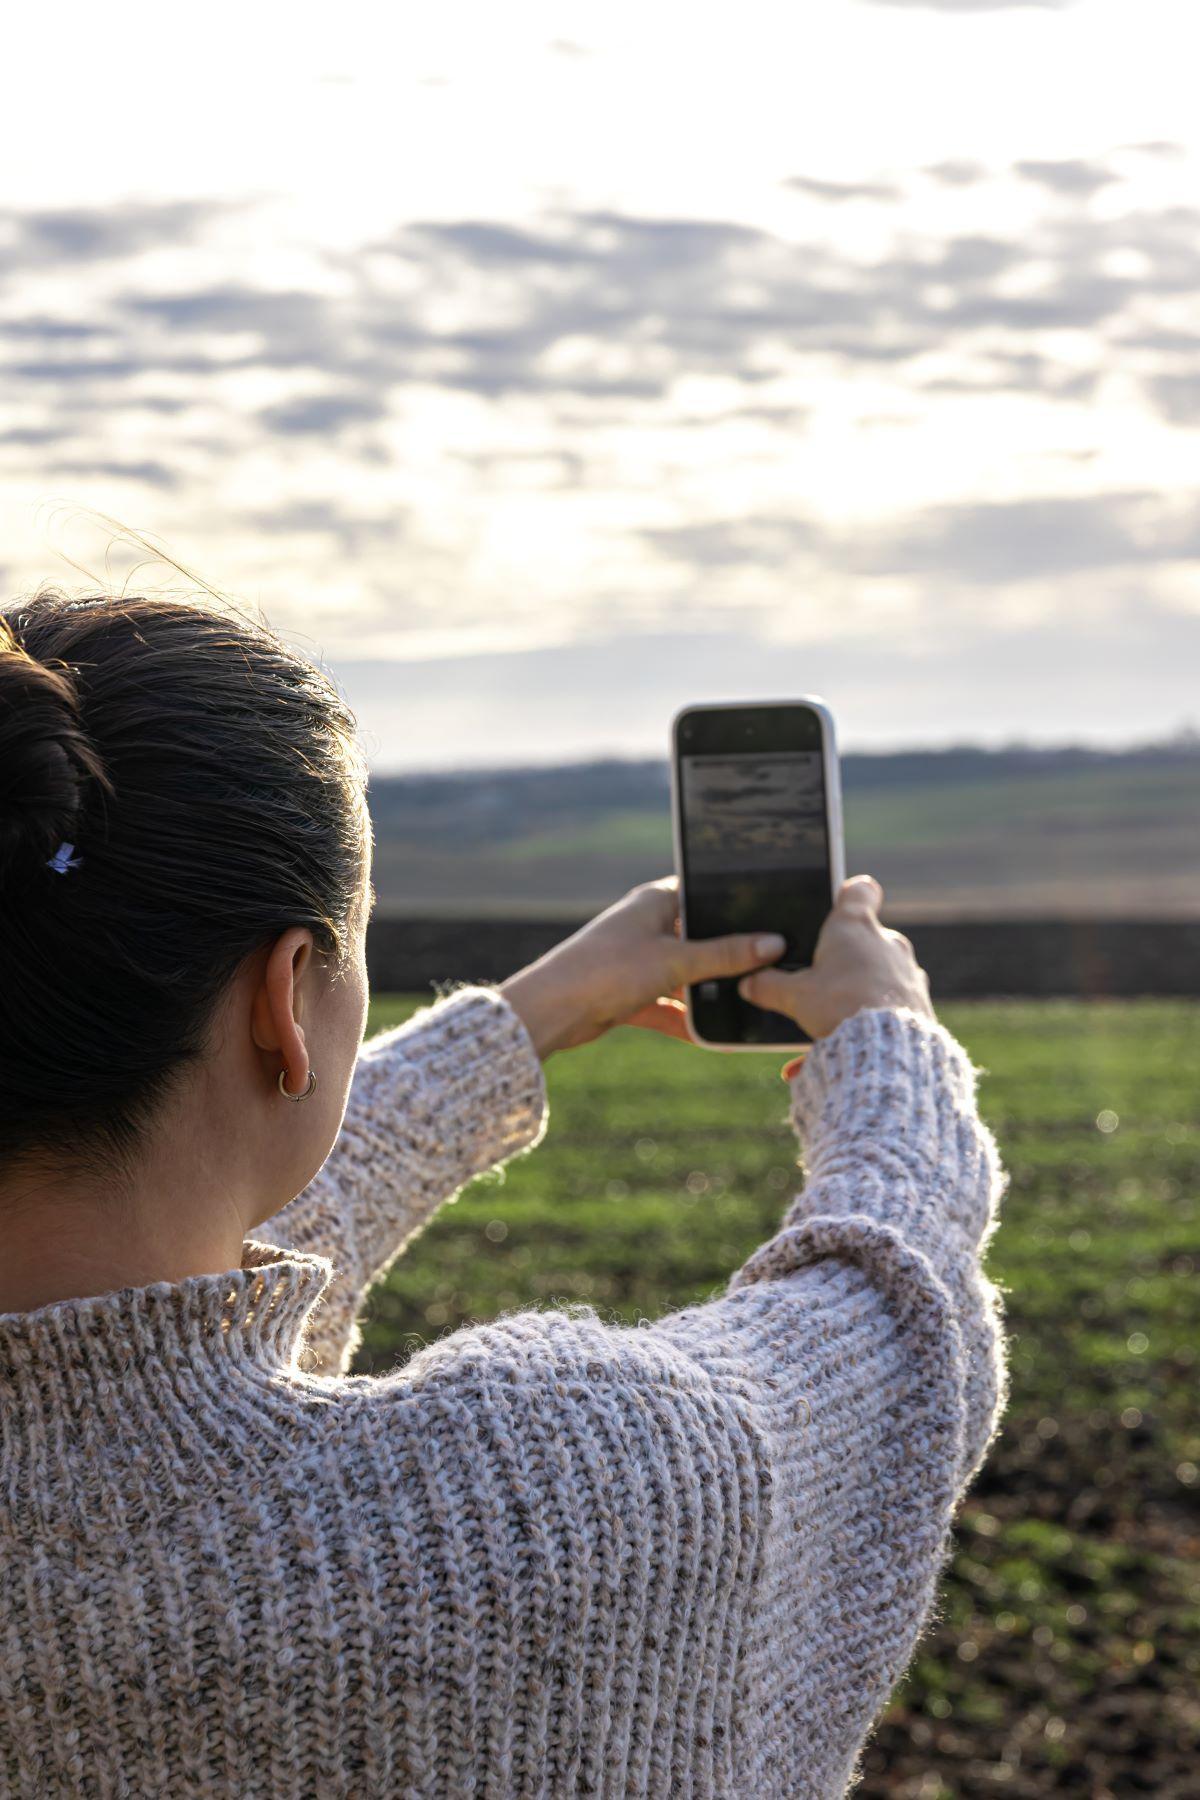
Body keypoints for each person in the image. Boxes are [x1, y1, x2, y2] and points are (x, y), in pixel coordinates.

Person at [0, 584, 1009, 1800]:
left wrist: (519, 1025)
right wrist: (888, 1048)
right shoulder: (534, 1500)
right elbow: (893, 1331)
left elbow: (146, 1280)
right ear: (287, 999)